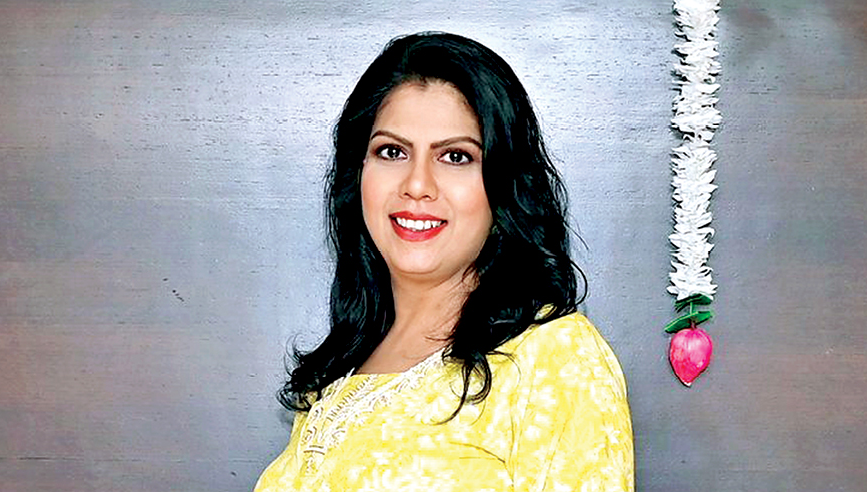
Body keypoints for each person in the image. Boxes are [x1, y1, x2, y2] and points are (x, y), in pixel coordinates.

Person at [254, 32, 633, 491]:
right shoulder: (337, 372)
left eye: (455, 157)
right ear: (358, 173)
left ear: (503, 185)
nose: (417, 185)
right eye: (392, 152)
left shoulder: (554, 357)